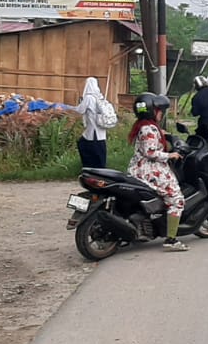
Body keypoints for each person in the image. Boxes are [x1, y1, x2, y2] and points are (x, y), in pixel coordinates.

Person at [126, 93, 190, 252]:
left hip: (140, 168)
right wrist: (171, 155)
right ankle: (171, 239)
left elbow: (152, 138)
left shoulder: (143, 125)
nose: (161, 114)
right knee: (177, 199)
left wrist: (166, 134)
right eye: (159, 111)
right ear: (151, 111)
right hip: (151, 170)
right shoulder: (148, 128)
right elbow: (151, 152)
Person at [73, 77, 111, 169]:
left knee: (84, 145)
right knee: (100, 151)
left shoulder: (89, 98)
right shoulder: (100, 97)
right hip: (101, 130)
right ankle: (100, 169)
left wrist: (68, 107)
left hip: (93, 131)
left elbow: (80, 110)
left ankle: (90, 168)